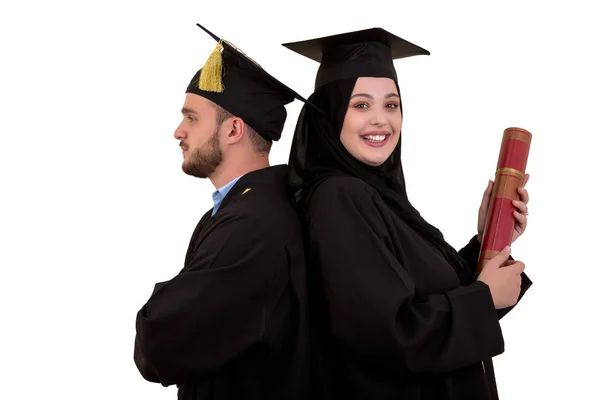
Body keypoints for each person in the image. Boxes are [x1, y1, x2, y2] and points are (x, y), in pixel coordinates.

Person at [282, 27, 533, 399]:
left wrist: (487, 241)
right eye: (361, 105)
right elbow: (384, 337)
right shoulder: (339, 198)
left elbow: (418, 298)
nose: (381, 120)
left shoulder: (377, 196)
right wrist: (482, 298)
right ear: (331, 114)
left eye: (392, 104)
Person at [133, 23, 311, 400]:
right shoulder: (250, 207)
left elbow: (158, 345)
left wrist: (162, 302)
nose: (178, 131)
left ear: (233, 130)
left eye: (192, 118)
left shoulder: (253, 224)